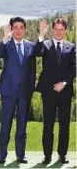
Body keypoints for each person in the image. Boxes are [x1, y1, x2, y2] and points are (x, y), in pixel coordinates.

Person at [34, 18, 76, 165]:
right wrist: (41, 34)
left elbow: (74, 69)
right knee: (48, 125)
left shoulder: (71, 47)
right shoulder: (45, 45)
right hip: (49, 92)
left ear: (65, 31)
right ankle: (47, 155)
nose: (58, 32)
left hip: (65, 92)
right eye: (56, 29)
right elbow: (36, 52)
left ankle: (62, 155)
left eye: (61, 29)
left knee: (65, 125)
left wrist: (63, 83)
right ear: (52, 30)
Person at [0, 17, 36, 164]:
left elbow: (33, 70)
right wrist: (4, 39)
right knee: (5, 124)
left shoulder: (31, 46)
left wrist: (31, 88)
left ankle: (20, 154)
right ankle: (2, 155)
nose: (18, 30)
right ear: (11, 29)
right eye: (15, 27)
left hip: (25, 93)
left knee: (22, 125)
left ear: (24, 29)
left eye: (21, 27)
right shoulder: (6, 45)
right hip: (8, 91)